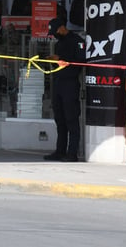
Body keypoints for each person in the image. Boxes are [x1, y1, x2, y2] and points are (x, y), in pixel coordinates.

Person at [44, 17, 83, 162]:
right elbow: (59, 64)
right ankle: (60, 151)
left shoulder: (76, 41)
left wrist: (62, 59)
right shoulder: (59, 43)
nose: (54, 34)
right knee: (59, 119)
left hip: (70, 84)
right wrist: (54, 60)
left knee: (71, 118)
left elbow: (81, 61)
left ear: (62, 28)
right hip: (58, 82)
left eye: (55, 31)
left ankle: (72, 153)